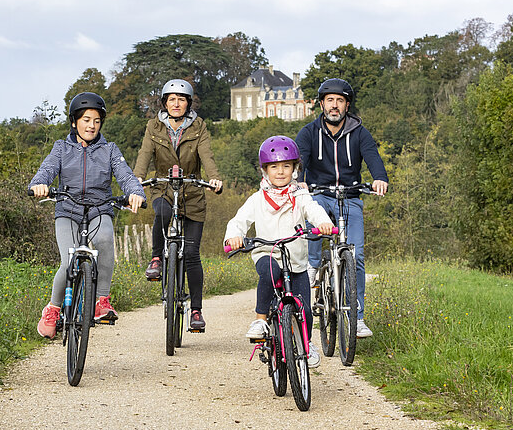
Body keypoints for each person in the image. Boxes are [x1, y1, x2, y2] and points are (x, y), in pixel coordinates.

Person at [29, 92, 146, 339]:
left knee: (104, 240)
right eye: (86, 120)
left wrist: (135, 193)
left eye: (96, 121)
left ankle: (101, 301)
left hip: (99, 208)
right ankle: (52, 309)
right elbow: (47, 170)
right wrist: (39, 184)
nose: (91, 125)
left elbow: (125, 176)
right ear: (74, 122)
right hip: (68, 210)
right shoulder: (61, 148)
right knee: (68, 258)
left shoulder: (109, 150)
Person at [224, 135, 334, 368]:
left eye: (286, 166)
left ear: (295, 169)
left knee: (304, 308)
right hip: (267, 253)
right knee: (270, 273)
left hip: (296, 260)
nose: (281, 171)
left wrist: (323, 223)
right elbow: (238, 221)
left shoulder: (300, 196)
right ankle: (261, 321)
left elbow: (314, 211)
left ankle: (306, 343)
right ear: (265, 171)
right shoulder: (257, 199)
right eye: (274, 167)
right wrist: (234, 237)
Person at [295, 78, 389, 338]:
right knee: (315, 222)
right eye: (330, 100)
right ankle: (313, 266)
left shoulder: (359, 132)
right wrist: (299, 182)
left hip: (350, 195)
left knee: (355, 255)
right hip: (319, 193)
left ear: (347, 105)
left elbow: (372, 157)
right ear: (322, 104)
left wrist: (380, 178)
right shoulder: (309, 132)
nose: (334, 106)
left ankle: (357, 318)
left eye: (340, 101)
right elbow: (300, 159)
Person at [132, 79, 223, 332]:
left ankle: (196, 310)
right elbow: (144, 154)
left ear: (188, 103)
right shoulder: (154, 126)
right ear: (164, 102)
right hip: (163, 187)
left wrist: (214, 177)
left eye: (181, 99)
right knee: (160, 211)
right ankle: (156, 259)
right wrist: (136, 178)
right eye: (171, 99)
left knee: (192, 254)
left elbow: (207, 155)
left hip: (192, 191)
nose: (176, 103)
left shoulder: (199, 126)